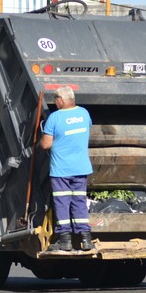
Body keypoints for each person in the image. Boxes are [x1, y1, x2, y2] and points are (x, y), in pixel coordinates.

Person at [40, 86, 94, 252]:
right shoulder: (84, 114)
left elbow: (46, 144)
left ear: (61, 100)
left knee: (62, 203)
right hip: (81, 167)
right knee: (79, 202)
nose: (55, 103)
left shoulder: (55, 118)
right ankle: (85, 239)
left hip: (61, 170)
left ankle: (65, 241)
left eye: (56, 100)